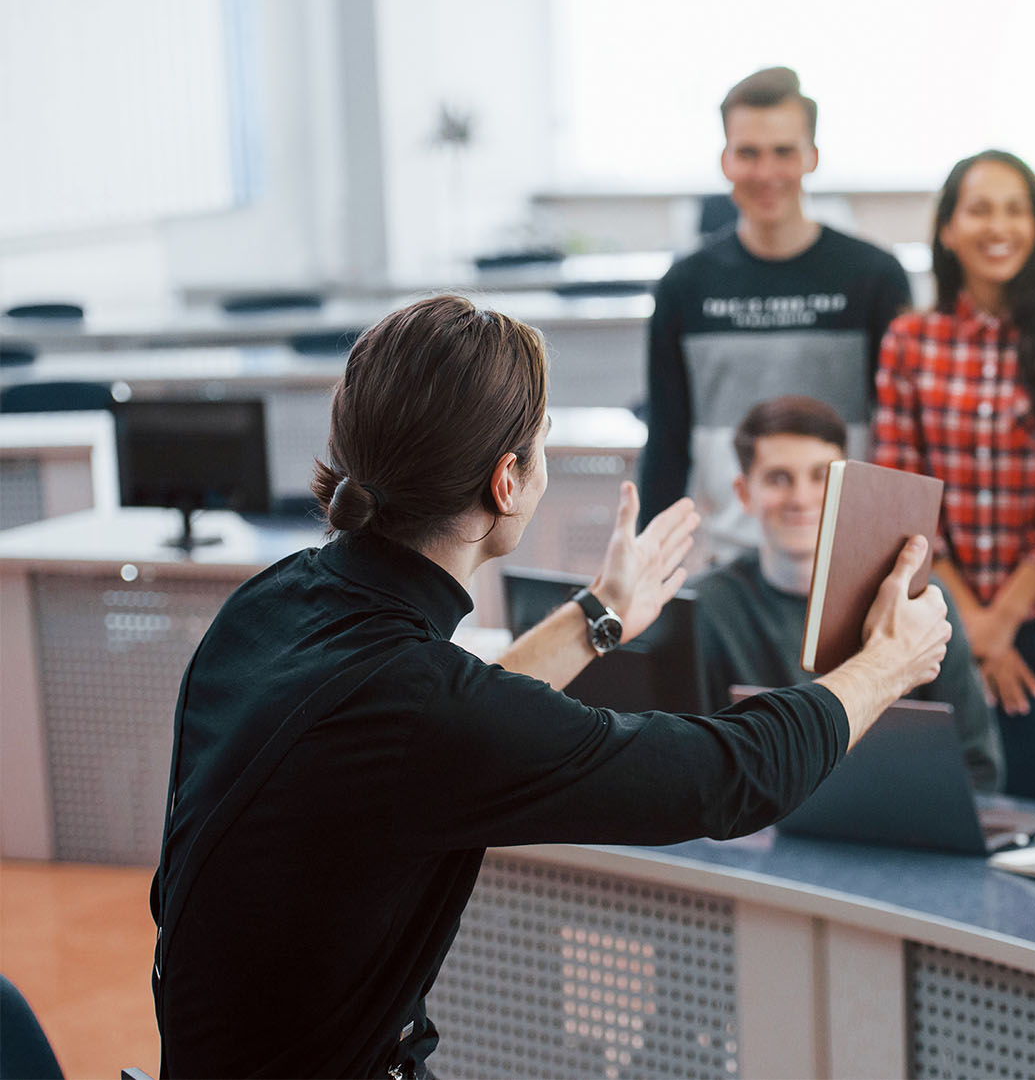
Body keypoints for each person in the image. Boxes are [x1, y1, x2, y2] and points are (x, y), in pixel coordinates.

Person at [150, 295, 950, 1078]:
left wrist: (598, 616)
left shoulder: (273, 601)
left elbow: (444, 728)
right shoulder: (418, 708)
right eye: (542, 441)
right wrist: (888, 663)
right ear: (507, 481)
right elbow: (727, 779)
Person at [875, 150, 1035, 803]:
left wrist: (1001, 620)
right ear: (949, 229)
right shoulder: (910, 340)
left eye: (1015, 209)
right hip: (935, 617)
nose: (998, 226)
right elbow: (904, 489)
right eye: (979, 209)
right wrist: (970, 624)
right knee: (944, 808)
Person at [638, 66, 915, 559]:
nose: (766, 173)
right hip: (729, 561)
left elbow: (905, 441)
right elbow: (667, 443)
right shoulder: (685, 286)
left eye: (783, 152)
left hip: (849, 558)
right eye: (748, 153)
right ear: (725, 160)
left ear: (812, 156)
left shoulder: (875, 277)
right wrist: (644, 566)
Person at [690, 395, 1005, 791]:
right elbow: (692, 765)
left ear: (847, 484)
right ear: (743, 493)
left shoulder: (916, 600)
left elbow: (979, 767)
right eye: (778, 478)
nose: (801, 499)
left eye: (821, 476)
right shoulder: (705, 607)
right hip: (751, 835)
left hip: (899, 831)